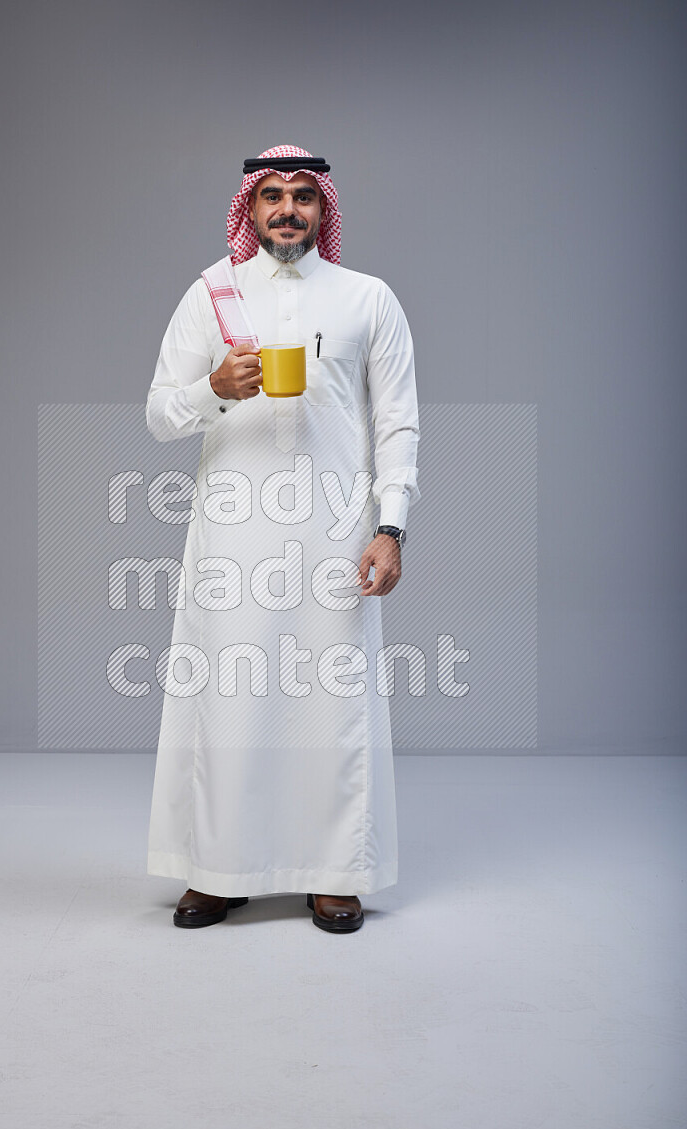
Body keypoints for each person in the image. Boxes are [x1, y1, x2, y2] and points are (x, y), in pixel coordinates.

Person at [145, 145, 420, 933]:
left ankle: (336, 872)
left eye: (303, 195)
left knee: (333, 703)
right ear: (250, 207)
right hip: (234, 539)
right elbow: (160, 411)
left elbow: (398, 423)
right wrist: (213, 390)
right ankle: (217, 868)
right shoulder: (212, 294)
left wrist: (390, 526)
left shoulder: (369, 299)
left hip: (338, 537)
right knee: (228, 701)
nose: (288, 209)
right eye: (272, 195)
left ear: (324, 209)